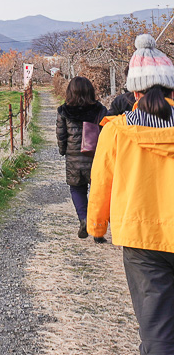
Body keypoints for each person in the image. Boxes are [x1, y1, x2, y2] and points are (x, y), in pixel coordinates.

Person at [88, 34, 174, 354]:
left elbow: (101, 183)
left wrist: (96, 226)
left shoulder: (116, 130)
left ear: (134, 91)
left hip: (141, 238)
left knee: (157, 333)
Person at [56, 76, 107, 239]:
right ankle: (98, 229)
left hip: (74, 157)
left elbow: (61, 134)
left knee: (77, 188)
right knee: (97, 191)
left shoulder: (63, 110)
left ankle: (84, 219)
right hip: (96, 156)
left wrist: (63, 150)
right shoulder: (99, 109)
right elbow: (107, 132)